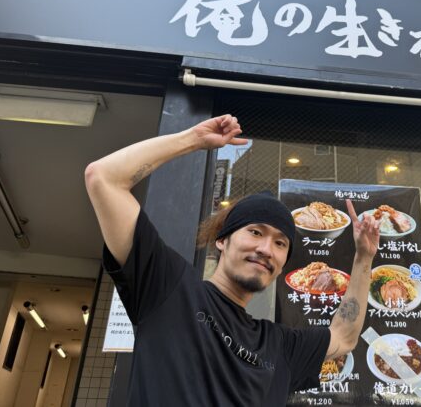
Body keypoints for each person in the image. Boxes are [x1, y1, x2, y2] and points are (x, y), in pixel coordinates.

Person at [84, 114, 380, 406]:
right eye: (255, 232)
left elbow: (344, 336)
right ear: (222, 240)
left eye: (280, 243)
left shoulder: (280, 346)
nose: (266, 248)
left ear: (281, 266)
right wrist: (192, 140)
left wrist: (364, 257)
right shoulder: (170, 289)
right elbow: (104, 178)